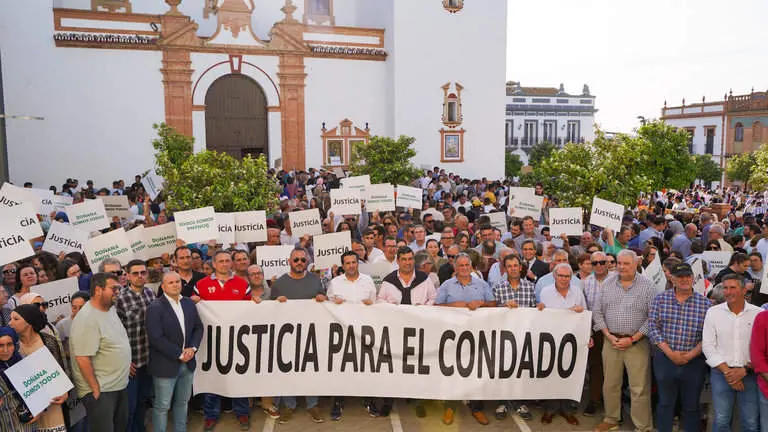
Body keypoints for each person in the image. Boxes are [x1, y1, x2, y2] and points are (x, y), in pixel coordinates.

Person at [592, 249, 655, 432]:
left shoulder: (648, 286)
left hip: (637, 343)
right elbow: (597, 312)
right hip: (611, 341)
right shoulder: (607, 284)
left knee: (639, 387)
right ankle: (611, 419)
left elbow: (653, 318)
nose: (622, 267)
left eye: (626, 263)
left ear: (636, 264)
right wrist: (608, 335)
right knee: (610, 384)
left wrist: (633, 338)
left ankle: (643, 426)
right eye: (619, 263)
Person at [648, 263, 711, 432]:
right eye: (680, 277)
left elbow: (709, 335)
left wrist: (690, 355)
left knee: (691, 406)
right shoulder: (660, 299)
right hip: (665, 360)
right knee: (665, 403)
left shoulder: (705, 304)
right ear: (672, 279)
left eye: (687, 276)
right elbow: (653, 327)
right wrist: (670, 353)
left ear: (693, 278)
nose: (684, 280)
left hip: (694, 362)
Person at [193, 251, 252, 431]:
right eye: (221, 261)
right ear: (214, 263)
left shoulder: (242, 284)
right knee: (213, 376)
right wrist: (194, 302)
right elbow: (193, 311)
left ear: (231, 263)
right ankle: (211, 415)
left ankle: (242, 412)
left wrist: (256, 304)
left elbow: (250, 312)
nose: (225, 264)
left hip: (236, 340)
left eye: (228, 261)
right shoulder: (201, 285)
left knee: (238, 376)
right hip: (211, 341)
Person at [435, 253, 495, 426]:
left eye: (466, 265)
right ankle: (450, 407)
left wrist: (481, 304)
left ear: (471, 267)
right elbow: (436, 307)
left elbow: (493, 304)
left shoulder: (481, 284)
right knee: (452, 372)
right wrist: (452, 306)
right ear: (455, 267)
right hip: (452, 336)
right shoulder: (446, 285)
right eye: (460, 265)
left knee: (476, 371)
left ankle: (476, 408)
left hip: (477, 336)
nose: (463, 269)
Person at [270, 247, 326, 424]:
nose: (300, 263)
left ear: (307, 262)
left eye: (303, 260)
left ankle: (312, 404)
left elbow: (324, 300)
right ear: (289, 262)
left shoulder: (315, 280)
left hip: (311, 333)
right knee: (287, 369)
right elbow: (270, 310)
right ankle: (289, 405)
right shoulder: (279, 283)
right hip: (286, 336)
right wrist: (277, 303)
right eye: (296, 260)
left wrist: (321, 298)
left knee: (311, 368)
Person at [70, 272, 131, 432]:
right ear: (98, 290)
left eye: (118, 288)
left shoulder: (109, 309)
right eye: (114, 289)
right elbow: (82, 358)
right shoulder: (87, 318)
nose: (117, 292)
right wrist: (95, 390)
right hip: (102, 391)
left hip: (117, 385)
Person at [702, 274, 761, 432]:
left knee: (750, 422)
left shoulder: (758, 313)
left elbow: (762, 348)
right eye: (725, 287)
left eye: (733, 287)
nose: (728, 291)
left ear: (743, 290)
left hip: (749, 374)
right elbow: (708, 346)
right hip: (721, 373)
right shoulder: (713, 313)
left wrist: (744, 371)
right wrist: (729, 373)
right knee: (721, 420)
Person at [146, 272, 204, 432]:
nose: (175, 284)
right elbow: (156, 338)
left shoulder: (189, 303)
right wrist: (180, 354)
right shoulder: (155, 307)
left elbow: (198, 328)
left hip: (188, 363)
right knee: (162, 406)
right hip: (166, 364)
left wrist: (192, 349)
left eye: (177, 281)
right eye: (170, 282)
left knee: (182, 402)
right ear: (163, 286)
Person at [326, 251, 377, 421]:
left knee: (365, 366)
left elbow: (375, 304)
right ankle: (338, 401)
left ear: (358, 263)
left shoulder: (368, 281)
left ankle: (368, 399)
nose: (351, 266)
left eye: (353, 262)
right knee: (341, 367)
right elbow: (327, 306)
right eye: (347, 263)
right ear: (343, 265)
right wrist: (333, 304)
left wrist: (372, 305)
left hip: (364, 332)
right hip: (342, 332)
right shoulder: (335, 283)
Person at [538, 263, 587, 426]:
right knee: (552, 373)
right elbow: (541, 315)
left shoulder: (577, 291)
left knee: (569, 373)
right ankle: (550, 409)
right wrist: (540, 309)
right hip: (552, 340)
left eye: (567, 276)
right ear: (554, 276)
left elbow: (585, 314)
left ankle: (567, 409)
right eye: (561, 276)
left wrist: (581, 315)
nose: (564, 279)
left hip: (572, 340)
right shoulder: (545, 292)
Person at [9, 304, 69, 431]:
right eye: (10, 318)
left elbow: (59, 367)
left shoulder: (47, 340)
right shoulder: (11, 345)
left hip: (52, 403)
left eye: (16, 319)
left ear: (29, 322)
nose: (10, 323)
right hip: (27, 407)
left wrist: (65, 391)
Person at [492, 254, 535, 421]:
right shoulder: (498, 288)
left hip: (523, 335)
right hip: (503, 336)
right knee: (502, 369)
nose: (513, 268)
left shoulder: (530, 287)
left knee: (520, 370)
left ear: (521, 267)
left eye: (515, 265)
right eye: (509, 266)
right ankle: (501, 402)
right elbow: (491, 313)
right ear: (505, 269)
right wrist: (503, 307)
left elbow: (534, 311)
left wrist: (539, 307)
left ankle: (519, 402)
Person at [115, 259, 156, 432]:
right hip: (130, 363)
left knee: (142, 401)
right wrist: (124, 361)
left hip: (148, 360)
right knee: (129, 407)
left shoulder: (150, 293)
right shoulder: (120, 299)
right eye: (135, 273)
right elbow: (116, 335)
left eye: (143, 273)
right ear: (128, 275)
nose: (140, 276)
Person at [582, 251, 612, 417]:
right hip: (595, 329)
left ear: (607, 263)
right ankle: (594, 399)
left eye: (602, 262)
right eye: (595, 263)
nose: (599, 266)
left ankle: (612, 403)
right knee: (595, 366)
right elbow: (585, 306)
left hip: (613, 329)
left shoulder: (616, 280)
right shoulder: (586, 282)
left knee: (613, 368)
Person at [0, 326, 34, 432]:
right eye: (0, 345)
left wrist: (39, 410)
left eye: (9, 344)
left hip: (28, 425)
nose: (5, 350)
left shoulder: (23, 364)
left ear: (15, 344)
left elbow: (38, 391)